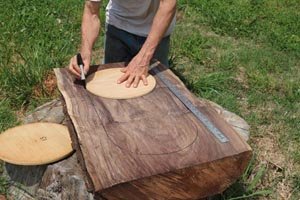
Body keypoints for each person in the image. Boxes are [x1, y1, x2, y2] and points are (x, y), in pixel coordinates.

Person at [69, 0, 176, 88]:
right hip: (118, 24)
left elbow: (168, 4)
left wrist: (144, 57)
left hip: (155, 29)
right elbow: (91, 11)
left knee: (159, 91)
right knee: (112, 86)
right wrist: (85, 52)